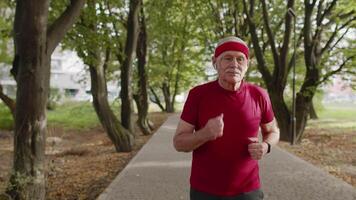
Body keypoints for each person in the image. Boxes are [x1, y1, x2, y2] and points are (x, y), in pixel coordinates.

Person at [173, 36, 280, 200]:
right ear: (215, 62)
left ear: (247, 64)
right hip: (205, 191)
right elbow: (179, 143)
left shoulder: (259, 95)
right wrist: (205, 133)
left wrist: (266, 146)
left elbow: (273, 131)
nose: (234, 65)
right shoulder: (198, 95)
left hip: (248, 190)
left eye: (240, 59)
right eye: (227, 58)